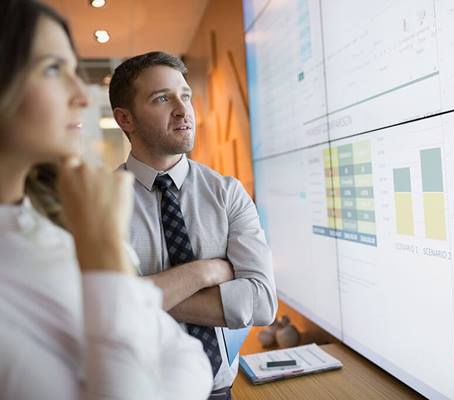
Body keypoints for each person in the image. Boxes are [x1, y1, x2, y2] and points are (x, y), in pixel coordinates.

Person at [0, 1, 213, 399]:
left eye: (73, 70)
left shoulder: (58, 220)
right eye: (52, 69)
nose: (81, 95)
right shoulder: (94, 224)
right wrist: (104, 255)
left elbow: (190, 358)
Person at [110, 51, 277, 398]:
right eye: (162, 98)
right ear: (125, 118)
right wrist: (205, 272)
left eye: (185, 95)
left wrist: (139, 295)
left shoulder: (228, 193)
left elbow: (261, 302)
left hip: (221, 391)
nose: (183, 110)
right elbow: (105, 314)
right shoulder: (102, 206)